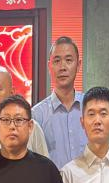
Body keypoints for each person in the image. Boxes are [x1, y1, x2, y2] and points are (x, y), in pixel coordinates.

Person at [32, 36, 88, 169]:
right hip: (53, 182)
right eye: (57, 61)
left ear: (78, 65)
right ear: (49, 66)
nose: (62, 67)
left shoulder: (90, 107)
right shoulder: (36, 115)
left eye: (68, 60)